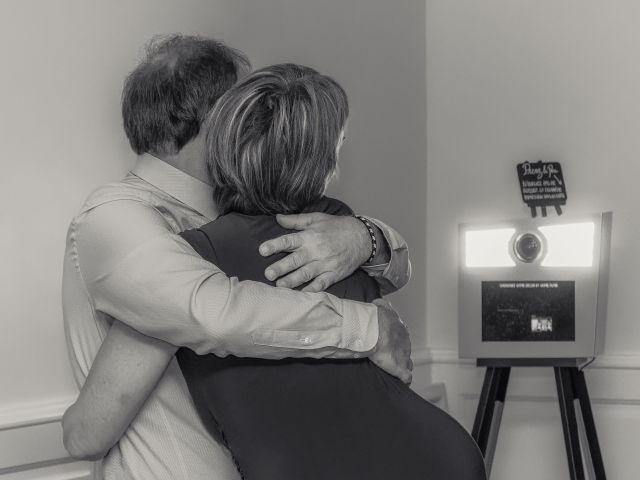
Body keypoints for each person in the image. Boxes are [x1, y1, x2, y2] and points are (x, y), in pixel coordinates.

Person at [61, 35, 412, 480]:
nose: (265, 120)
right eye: (252, 106)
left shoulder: (253, 211)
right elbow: (211, 311)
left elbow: (396, 268)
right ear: (215, 119)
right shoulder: (113, 217)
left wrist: (366, 236)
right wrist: (368, 328)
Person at [175, 63, 487, 480]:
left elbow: (399, 265)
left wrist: (364, 235)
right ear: (319, 161)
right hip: (438, 457)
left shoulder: (338, 228)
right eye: (338, 145)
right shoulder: (198, 257)